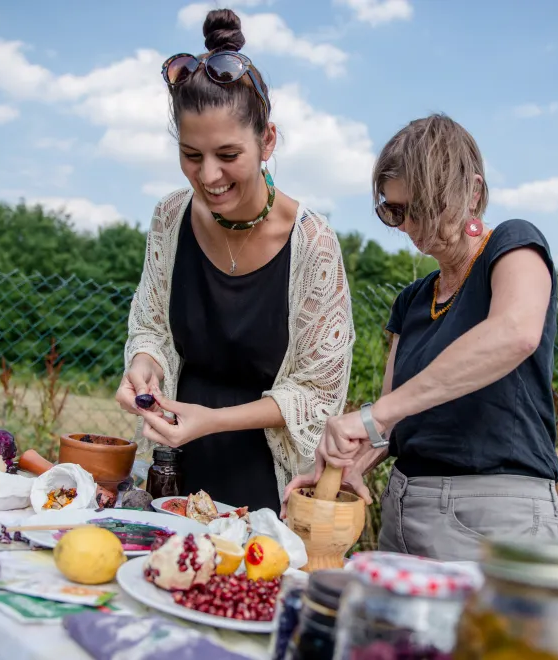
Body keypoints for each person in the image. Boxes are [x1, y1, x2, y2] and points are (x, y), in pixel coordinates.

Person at [283, 114, 558, 561]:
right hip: (405, 506)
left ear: (473, 191)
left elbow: (514, 333)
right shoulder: (413, 299)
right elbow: (392, 422)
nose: (410, 225)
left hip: (494, 514)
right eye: (394, 210)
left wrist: (371, 418)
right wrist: (344, 467)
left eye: (424, 207)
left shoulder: (513, 246)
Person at [115, 8, 354, 514]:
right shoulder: (168, 219)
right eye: (191, 155)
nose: (208, 175)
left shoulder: (312, 244)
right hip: (170, 476)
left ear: (267, 141)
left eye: (228, 154)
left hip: (266, 492)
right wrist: (144, 364)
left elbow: (316, 394)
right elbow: (152, 326)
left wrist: (212, 419)